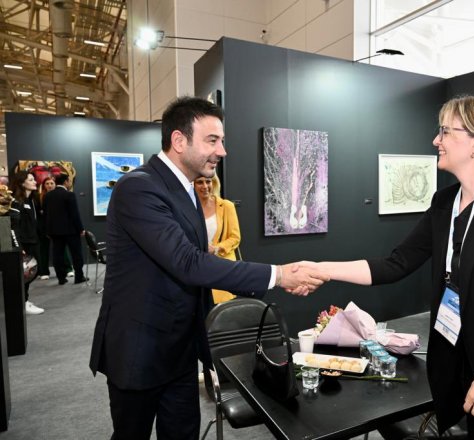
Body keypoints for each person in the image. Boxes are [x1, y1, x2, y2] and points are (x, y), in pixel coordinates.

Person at [302, 96, 474, 438]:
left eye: (445, 131)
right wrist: (321, 269)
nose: (436, 140)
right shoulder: (444, 201)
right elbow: (396, 264)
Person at [89, 96, 328, 440]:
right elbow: (188, 262)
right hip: (140, 349)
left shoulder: (186, 190)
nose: (222, 151)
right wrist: (278, 275)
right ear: (179, 140)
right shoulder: (138, 188)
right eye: (212, 140)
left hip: (181, 349)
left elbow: (200, 263)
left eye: (222, 141)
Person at [194, 173, 240, 303]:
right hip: (195, 268)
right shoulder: (187, 207)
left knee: (221, 312)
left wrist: (216, 248)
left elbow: (235, 237)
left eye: (208, 181)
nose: (205, 186)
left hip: (221, 268)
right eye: (200, 182)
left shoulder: (226, 206)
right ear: (192, 184)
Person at [9, 171, 45, 315]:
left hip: (33, 241)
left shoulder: (31, 201)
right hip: (24, 244)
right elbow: (13, 226)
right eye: (31, 180)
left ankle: (24, 300)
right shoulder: (16, 201)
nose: (35, 182)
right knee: (24, 275)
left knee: (32, 274)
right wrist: (18, 247)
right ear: (22, 183)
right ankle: (22, 303)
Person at [43, 173, 87, 285]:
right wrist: (81, 228)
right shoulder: (69, 195)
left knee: (58, 255)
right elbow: (75, 214)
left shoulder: (48, 196)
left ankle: (61, 278)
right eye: (69, 181)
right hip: (71, 231)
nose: (70, 183)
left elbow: (46, 215)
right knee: (76, 254)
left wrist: (48, 230)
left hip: (55, 231)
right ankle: (79, 277)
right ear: (66, 182)